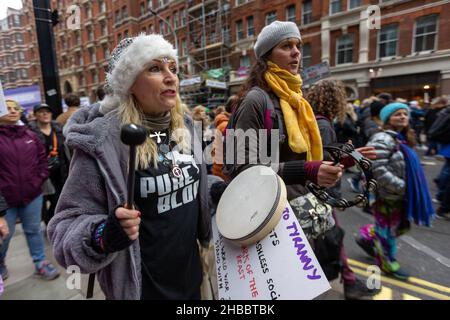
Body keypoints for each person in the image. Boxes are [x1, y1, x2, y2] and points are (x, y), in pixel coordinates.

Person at [47, 34, 211, 300]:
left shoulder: (186, 126)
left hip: (191, 279)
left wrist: (216, 191)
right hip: (142, 289)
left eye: (173, 68)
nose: (171, 77)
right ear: (129, 83)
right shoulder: (103, 141)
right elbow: (63, 230)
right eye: (155, 68)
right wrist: (103, 234)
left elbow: (191, 184)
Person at [306, 78, 379, 299]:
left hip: (315, 193)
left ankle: (347, 280)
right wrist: (350, 160)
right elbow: (326, 164)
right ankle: (348, 282)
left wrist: (352, 155)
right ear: (335, 100)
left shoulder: (314, 121)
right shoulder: (324, 125)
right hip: (321, 195)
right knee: (333, 239)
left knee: (329, 238)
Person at [356, 103, 435, 280]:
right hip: (387, 195)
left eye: (405, 114)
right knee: (389, 232)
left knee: (396, 228)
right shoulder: (383, 139)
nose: (402, 117)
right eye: (397, 114)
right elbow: (377, 169)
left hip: (397, 195)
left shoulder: (401, 138)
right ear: (387, 119)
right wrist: (401, 186)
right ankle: (387, 264)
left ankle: (368, 234)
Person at [0, 100, 60, 281]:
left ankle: (40, 263)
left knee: (34, 230)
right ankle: (1, 262)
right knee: (4, 235)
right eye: (7, 108)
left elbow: (42, 161)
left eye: (15, 108)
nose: (12, 111)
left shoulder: (30, 135)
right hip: (5, 200)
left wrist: (37, 180)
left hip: (32, 195)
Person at [28, 103, 68, 225]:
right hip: (42, 174)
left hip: (60, 171)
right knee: (49, 201)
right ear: (35, 115)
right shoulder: (30, 133)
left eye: (47, 111)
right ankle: (50, 222)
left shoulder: (58, 129)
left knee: (60, 200)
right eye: (41, 112)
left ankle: (51, 221)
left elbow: (65, 151)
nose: (45, 114)